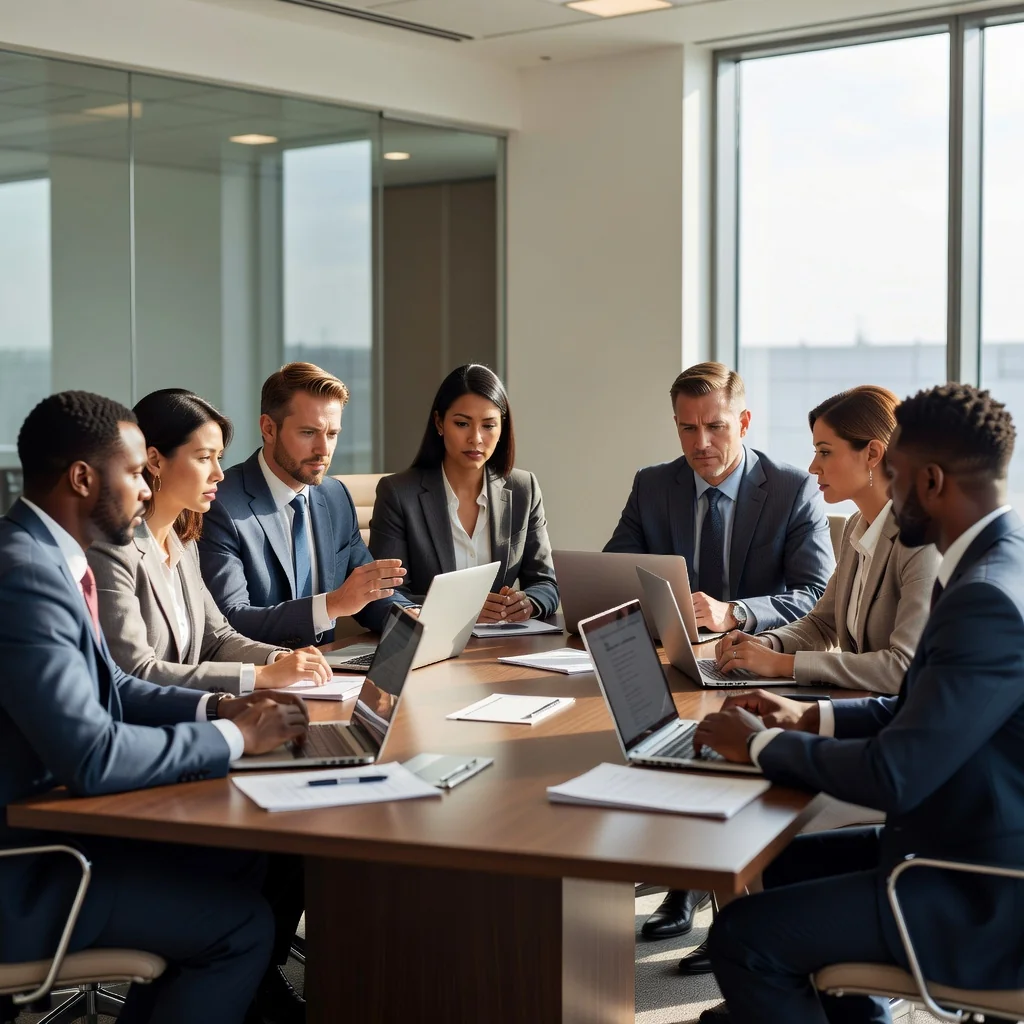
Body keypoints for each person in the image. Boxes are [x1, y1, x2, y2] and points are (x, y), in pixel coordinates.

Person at [693, 383, 1024, 1024]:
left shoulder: (982, 596)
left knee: (742, 940)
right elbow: (917, 710)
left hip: (977, 891)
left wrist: (761, 746)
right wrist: (805, 715)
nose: (886, 494)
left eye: (892, 476)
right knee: (778, 861)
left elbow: (895, 772)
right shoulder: (995, 563)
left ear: (928, 480)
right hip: (956, 840)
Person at [0, 391, 311, 1024]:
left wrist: (222, 708)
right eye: (136, 472)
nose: (147, 489)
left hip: (62, 830)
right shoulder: (25, 574)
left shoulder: (45, 557)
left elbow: (115, 684)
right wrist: (235, 740)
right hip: (31, 872)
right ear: (84, 479)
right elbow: (92, 753)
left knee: (245, 856)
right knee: (243, 927)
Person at [607, 362, 835, 943]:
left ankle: (728, 915)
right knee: (648, 728)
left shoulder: (791, 488)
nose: (701, 443)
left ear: (745, 421)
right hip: (679, 661)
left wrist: (736, 612)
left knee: (712, 738)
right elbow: (611, 575)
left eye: (715, 426)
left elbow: (814, 594)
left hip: (757, 661)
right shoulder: (653, 484)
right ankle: (685, 886)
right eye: (687, 429)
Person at [89, 389, 333, 694]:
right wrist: (259, 677)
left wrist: (278, 658)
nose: (218, 474)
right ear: (154, 460)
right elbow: (136, 671)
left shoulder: (183, 544)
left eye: (219, 458)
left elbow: (217, 639)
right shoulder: (112, 551)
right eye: (204, 458)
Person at [714, 386, 940, 693]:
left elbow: (904, 668)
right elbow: (823, 624)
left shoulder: (923, 541)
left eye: (825, 451)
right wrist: (764, 645)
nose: (812, 467)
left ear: (872, 453)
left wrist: (783, 665)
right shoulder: (857, 526)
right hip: (861, 704)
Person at [199, 362, 410, 648]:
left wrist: (417, 621)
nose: (324, 450)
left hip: (329, 676)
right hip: (260, 680)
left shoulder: (335, 496)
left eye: (332, 434)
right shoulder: (220, 503)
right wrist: (331, 606)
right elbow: (230, 621)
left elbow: (369, 592)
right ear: (268, 428)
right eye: (309, 433)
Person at [369, 364, 558, 621]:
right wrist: (463, 609)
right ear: (439, 422)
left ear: (502, 428)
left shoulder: (524, 488)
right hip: (431, 647)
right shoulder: (399, 494)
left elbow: (545, 582)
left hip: (501, 645)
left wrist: (529, 603)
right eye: (462, 424)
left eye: (488, 425)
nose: (476, 438)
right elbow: (386, 595)